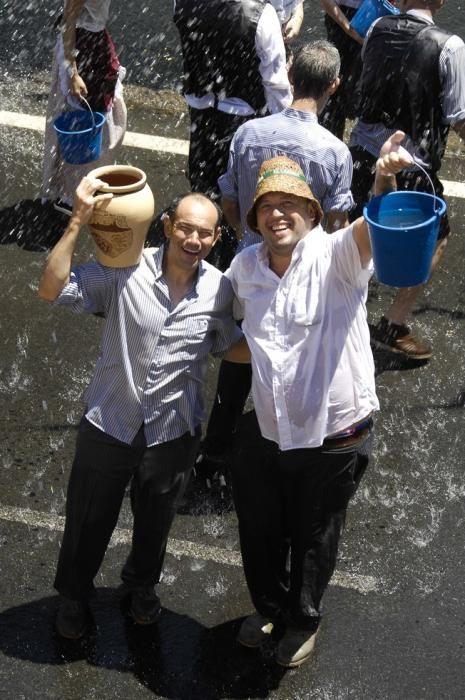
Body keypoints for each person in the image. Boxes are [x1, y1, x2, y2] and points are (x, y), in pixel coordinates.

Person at [226, 135, 413, 667]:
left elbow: (373, 228)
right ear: (256, 217)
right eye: (266, 206)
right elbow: (235, 334)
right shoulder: (245, 270)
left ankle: (302, 621)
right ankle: (270, 606)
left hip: (335, 435)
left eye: (290, 205)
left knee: (313, 536)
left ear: (311, 213)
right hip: (269, 428)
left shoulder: (336, 256)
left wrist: (383, 178)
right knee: (261, 529)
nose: (276, 214)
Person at [37, 178, 246, 639]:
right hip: (110, 421)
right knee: (89, 520)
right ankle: (73, 596)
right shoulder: (123, 270)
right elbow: (52, 288)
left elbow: (231, 346)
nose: (194, 241)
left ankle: (141, 587)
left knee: (155, 524)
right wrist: (77, 222)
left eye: (205, 234)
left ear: (215, 239)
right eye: (186, 229)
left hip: (173, 432)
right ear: (167, 226)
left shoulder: (220, 291)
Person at [198, 40, 355, 483]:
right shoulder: (334, 152)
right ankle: (292, 450)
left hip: (251, 259)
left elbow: (229, 201)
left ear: (289, 74)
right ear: (334, 86)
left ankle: (214, 455)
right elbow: (338, 225)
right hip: (301, 276)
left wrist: (250, 236)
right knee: (294, 359)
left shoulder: (250, 134)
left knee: (239, 358)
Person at [349, 0, 465, 360]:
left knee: (360, 237)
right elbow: (460, 118)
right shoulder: (450, 46)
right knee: (434, 239)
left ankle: (341, 313)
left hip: (363, 155)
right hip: (410, 166)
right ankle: (393, 324)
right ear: (441, 1)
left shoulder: (377, 26)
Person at [173, 0, 292, 200]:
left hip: (201, 113)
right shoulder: (262, 14)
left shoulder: (181, 3)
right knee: (241, 190)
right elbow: (275, 82)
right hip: (244, 117)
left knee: (203, 185)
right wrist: (283, 124)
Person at [41, 0, 127, 215]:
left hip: (94, 42)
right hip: (82, 47)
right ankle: (71, 195)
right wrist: (72, 73)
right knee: (82, 123)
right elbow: (69, 19)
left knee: (95, 120)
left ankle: (86, 184)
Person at [319, 0, 364, 139]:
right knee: (336, 86)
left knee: (362, 87)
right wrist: (349, 28)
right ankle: (329, 141)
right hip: (342, 18)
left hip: (374, 13)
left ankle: (358, 148)